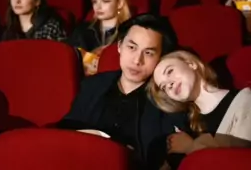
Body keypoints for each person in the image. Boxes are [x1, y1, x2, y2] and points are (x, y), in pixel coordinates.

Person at [59, 13, 188, 169]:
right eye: (131, 47)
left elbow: (172, 158)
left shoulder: (168, 99)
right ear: (120, 46)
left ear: (161, 58)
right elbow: (66, 130)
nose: (137, 60)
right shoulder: (93, 85)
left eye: (148, 53)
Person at [149, 49, 251, 157]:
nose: (169, 85)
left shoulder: (243, 100)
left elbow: (250, 160)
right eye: (164, 87)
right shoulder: (185, 126)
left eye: (170, 71)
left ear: (191, 64)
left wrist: (191, 147)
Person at [68, 0, 131, 74]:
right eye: (95, 2)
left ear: (119, 3)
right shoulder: (81, 30)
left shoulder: (129, 33)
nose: (98, 7)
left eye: (105, 1)